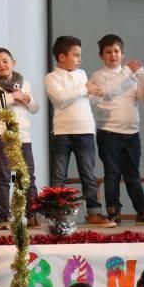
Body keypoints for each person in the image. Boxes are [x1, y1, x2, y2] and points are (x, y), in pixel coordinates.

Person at [44, 36, 114, 227]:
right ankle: (56, 214)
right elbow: (60, 98)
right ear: (61, 57)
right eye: (75, 55)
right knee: (59, 176)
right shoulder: (51, 77)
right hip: (62, 132)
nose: (79, 59)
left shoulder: (82, 74)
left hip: (85, 130)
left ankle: (93, 212)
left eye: (80, 55)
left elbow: (83, 99)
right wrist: (85, 89)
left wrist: (94, 94)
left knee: (88, 174)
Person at [89, 34, 144, 224]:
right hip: (109, 132)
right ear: (101, 55)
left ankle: (142, 210)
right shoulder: (99, 75)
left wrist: (141, 74)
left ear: (123, 53)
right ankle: (113, 211)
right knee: (112, 174)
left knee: (133, 175)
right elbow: (107, 90)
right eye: (108, 52)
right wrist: (128, 70)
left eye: (116, 51)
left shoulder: (130, 75)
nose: (113, 55)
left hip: (132, 133)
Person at [0, 47, 40, 230]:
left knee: (27, 177)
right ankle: (4, 217)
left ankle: (32, 215)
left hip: (23, 137)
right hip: (3, 137)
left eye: (5, 61)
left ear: (13, 63)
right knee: (3, 177)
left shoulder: (25, 84)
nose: (1, 65)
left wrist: (27, 99)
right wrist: (12, 97)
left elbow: (35, 108)